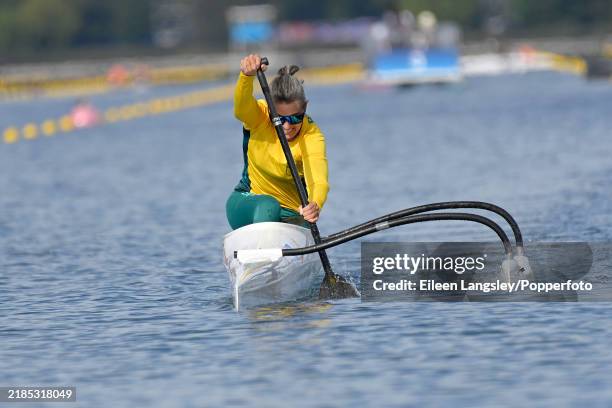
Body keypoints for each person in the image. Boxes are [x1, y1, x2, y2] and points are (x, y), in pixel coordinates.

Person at [226, 54, 329, 230]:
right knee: (268, 206)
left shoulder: (311, 135)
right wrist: (246, 77)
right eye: (281, 119)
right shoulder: (260, 116)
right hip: (247, 202)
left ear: (306, 107)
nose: (288, 126)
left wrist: (315, 204)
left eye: (296, 117)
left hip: (291, 212)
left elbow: (318, 180)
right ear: (270, 108)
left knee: (304, 224)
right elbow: (240, 109)